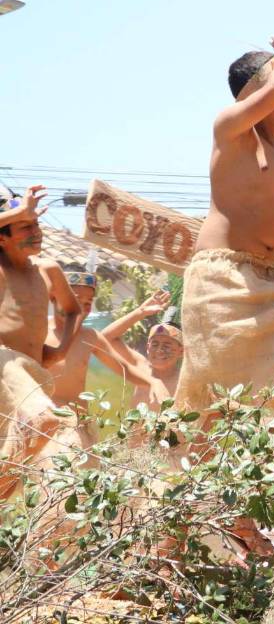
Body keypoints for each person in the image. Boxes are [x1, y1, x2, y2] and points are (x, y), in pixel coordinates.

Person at [176, 37, 274, 423]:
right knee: (224, 413)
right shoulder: (229, 128)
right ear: (258, 92)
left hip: (273, 284)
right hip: (221, 286)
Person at [0, 188, 83, 496]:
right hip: (2, 367)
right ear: (2, 238)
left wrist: (61, 349)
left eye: (36, 225)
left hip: (30, 374)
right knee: (44, 419)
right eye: (26, 227)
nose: (36, 232)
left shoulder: (48, 270)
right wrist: (19, 210)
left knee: (41, 449)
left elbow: (73, 310)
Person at [44, 273, 161, 417]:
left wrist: (153, 384)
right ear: (53, 297)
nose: (81, 307)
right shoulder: (38, 334)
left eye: (88, 303)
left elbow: (124, 369)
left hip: (76, 423)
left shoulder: (90, 337)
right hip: (42, 420)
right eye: (75, 299)